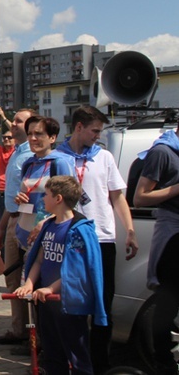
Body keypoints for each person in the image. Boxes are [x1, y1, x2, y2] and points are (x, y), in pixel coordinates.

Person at [56, 105, 139, 374]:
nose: (97, 136)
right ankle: (71, 361)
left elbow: (117, 196)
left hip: (101, 239)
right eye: (94, 130)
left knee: (103, 304)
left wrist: (129, 229)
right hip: (69, 239)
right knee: (70, 303)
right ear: (78, 127)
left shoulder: (103, 157)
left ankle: (100, 363)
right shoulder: (59, 156)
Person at [15, 175, 106, 375]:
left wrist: (50, 288)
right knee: (52, 353)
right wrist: (30, 283)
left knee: (77, 354)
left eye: (46, 195)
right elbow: (39, 259)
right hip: (47, 303)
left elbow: (77, 270)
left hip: (69, 304)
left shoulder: (78, 230)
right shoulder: (48, 226)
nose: (42, 200)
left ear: (58, 199)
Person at [134, 126, 179, 375]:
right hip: (172, 233)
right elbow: (140, 197)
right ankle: (164, 364)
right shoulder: (163, 151)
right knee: (167, 303)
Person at [0, 108, 35, 347]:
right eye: (14, 119)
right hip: (12, 218)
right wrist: (2, 225)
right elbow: (12, 195)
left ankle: (34, 334)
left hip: (29, 219)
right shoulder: (16, 153)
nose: (13, 124)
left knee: (30, 279)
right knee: (11, 277)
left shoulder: (32, 155)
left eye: (19, 120)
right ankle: (19, 330)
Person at [14, 116, 76, 249]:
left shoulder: (60, 163)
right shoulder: (28, 164)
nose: (32, 138)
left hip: (48, 239)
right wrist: (20, 198)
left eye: (38, 134)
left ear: (52, 138)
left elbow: (70, 204)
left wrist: (46, 223)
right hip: (25, 237)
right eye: (29, 134)